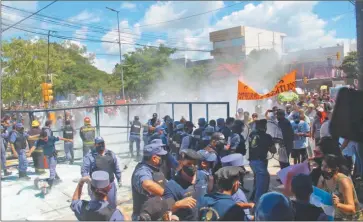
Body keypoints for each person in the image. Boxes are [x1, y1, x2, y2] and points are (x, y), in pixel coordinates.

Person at [81, 137, 122, 209]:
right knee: (97, 207)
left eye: (102, 143)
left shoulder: (110, 153)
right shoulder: (89, 156)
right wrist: (89, 181)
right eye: (99, 144)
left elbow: (116, 167)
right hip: (96, 187)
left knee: (112, 205)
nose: (101, 145)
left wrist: (119, 179)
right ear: (95, 145)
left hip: (110, 185)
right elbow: (84, 171)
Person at [317, 154, 361, 220]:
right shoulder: (322, 178)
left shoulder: (343, 182)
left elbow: (352, 209)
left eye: (327, 167)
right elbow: (318, 196)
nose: (323, 169)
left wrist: (338, 204)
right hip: (332, 214)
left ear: (336, 169)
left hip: (347, 217)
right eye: (322, 165)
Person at [131, 141, 167, 220]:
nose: (163, 159)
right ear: (154, 158)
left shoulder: (155, 168)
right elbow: (147, 184)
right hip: (144, 217)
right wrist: (167, 194)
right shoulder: (142, 170)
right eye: (161, 156)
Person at [163, 149, 201, 221]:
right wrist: (177, 205)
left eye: (195, 164)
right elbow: (166, 211)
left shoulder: (203, 177)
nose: (193, 167)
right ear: (181, 163)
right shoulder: (171, 185)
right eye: (189, 164)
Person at [248, 119, 276, 203]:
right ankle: (257, 204)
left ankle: (253, 197)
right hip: (260, 161)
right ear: (264, 126)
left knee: (257, 181)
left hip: (252, 161)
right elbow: (273, 150)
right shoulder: (267, 136)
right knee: (262, 185)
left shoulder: (252, 134)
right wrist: (272, 143)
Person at [221, 153, 254, 220]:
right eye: (242, 168)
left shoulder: (221, 186)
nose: (244, 170)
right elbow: (244, 217)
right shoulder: (237, 192)